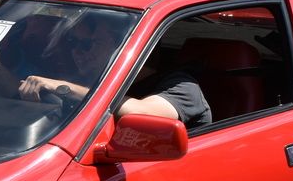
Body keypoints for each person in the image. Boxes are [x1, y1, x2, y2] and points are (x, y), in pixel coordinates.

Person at [13, 14, 208, 126]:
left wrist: (65, 87)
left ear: (123, 49)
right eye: (73, 43)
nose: (78, 51)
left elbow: (142, 111)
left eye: (92, 43)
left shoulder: (182, 87)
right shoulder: (93, 81)